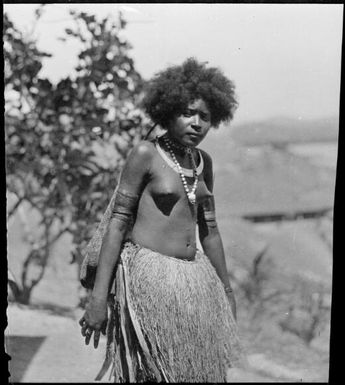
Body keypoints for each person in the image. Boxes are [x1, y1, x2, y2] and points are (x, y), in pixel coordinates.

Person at [79, 57, 246, 382]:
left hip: (195, 283)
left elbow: (209, 230)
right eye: (187, 113)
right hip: (150, 282)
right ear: (167, 111)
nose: (196, 123)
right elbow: (117, 223)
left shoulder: (203, 162)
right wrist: (98, 299)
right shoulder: (146, 155)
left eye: (205, 117)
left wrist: (226, 292)